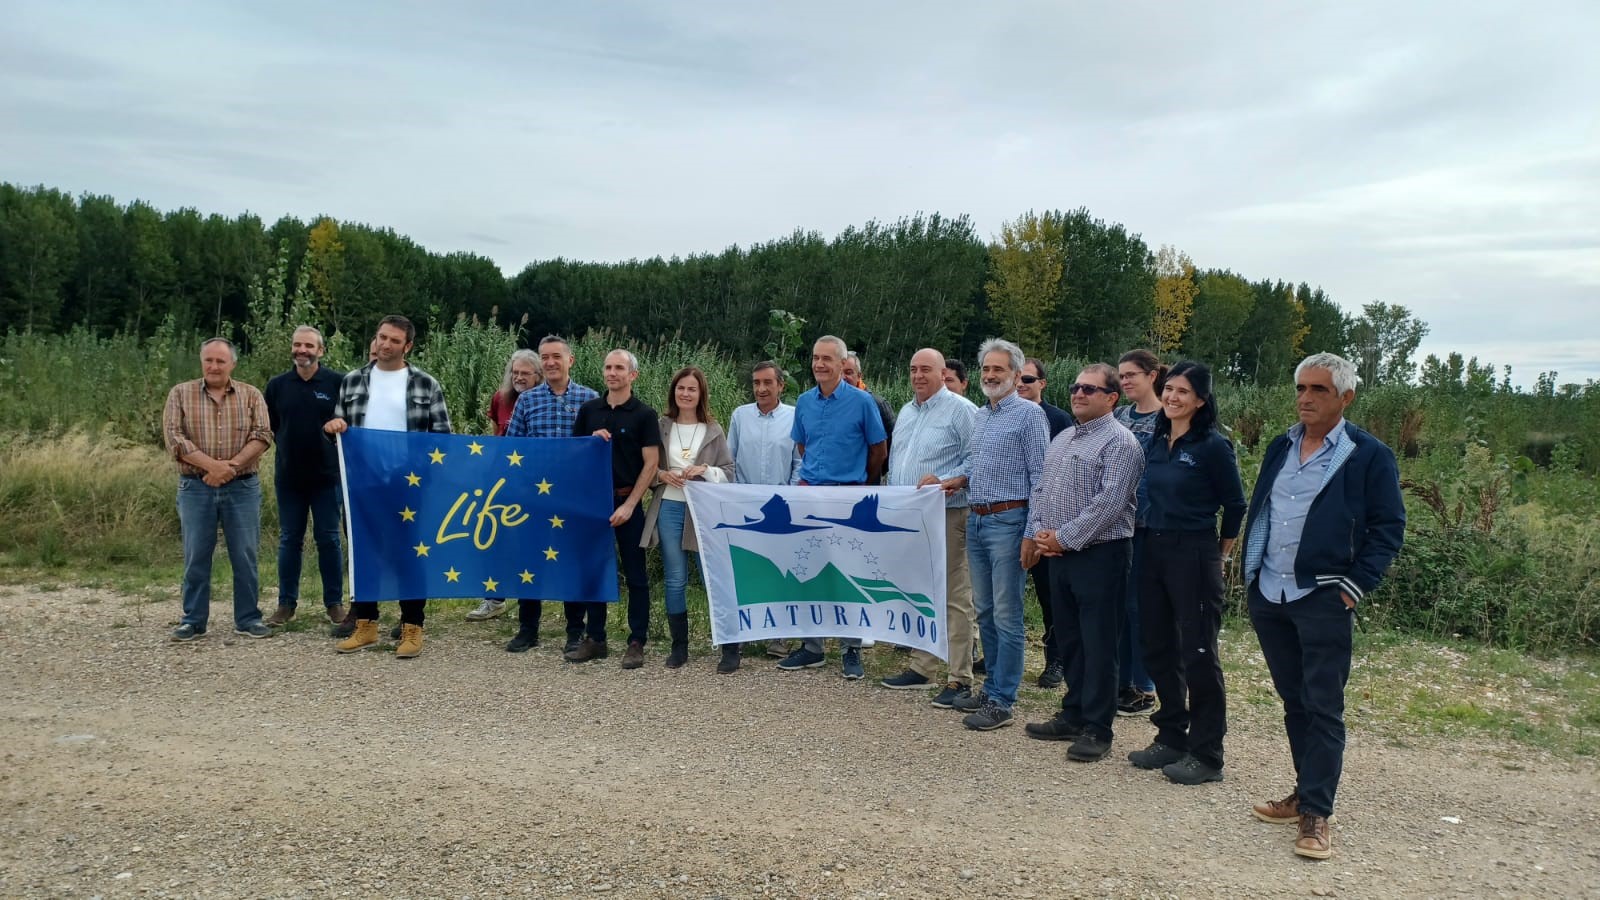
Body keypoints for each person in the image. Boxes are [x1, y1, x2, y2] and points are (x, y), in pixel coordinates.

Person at [1243, 353, 1404, 860]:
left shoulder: (1367, 455)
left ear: (1345, 397)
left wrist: (1353, 586)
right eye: (1301, 388)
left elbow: (1388, 529)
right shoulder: (1280, 445)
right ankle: (1303, 793)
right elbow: (1263, 509)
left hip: (1323, 596)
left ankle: (1317, 814)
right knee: (1294, 701)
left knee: (1323, 707)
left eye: (1318, 390)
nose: (1306, 398)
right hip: (1271, 593)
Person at [1125, 361, 1246, 786]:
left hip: (1193, 550)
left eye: (1183, 392)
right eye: (1170, 389)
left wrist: (1221, 555)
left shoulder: (1213, 446)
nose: (1174, 397)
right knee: (1158, 646)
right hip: (1151, 546)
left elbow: (1235, 504)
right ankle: (1171, 735)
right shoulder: (1157, 440)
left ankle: (1208, 753)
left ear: (1200, 399)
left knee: (1198, 653)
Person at [1021, 364, 1143, 762]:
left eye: (1089, 389)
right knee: (1070, 638)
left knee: (1099, 642)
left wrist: (1064, 538)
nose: (1078, 393)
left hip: (1100, 555)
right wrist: (1041, 534)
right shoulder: (1063, 439)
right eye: (1076, 387)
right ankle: (1073, 713)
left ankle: (1098, 727)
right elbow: (1041, 488)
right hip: (1058, 555)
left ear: (1111, 398)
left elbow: (1109, 505)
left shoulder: (1121, 444)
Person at [325, 315, 451, 658]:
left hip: (407, 485)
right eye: (381, 337)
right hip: (362, 484)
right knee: (363, 553)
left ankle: (412, 628)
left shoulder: (426, 384)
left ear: (407, 346)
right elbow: (338, 429)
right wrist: (333, 426)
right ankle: (366, 624)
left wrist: (420, 473)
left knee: (410, 554)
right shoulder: (352, 381)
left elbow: (442, 439)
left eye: (394, 340)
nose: (384, 344)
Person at [938, 339, 1049, 731]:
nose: (989, 375)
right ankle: (991, 689)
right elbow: (977, 462)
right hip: (978, 519)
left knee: (1007, 614)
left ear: (1017, 376)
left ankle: (1002, 699)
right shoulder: (984, 416)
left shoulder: (1029, 417)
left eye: (998, 370)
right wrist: (957, 479)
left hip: (1009, 521)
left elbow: (1040, 477)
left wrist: (1032, 533)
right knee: (985, 611)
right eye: (986, 369)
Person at [777, 335, 889, 679]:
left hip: (847, 496)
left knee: (847, 573)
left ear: (843, 365)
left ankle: (851, 648)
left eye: (827, 358)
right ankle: (811, 647)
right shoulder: (805, 402)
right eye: (815, 358)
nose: (819, 364)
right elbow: (801, 446)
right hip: (810, 494)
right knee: (808, 568)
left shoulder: (862, 402)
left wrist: (862, 489)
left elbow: (879, 451)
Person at [878, 348, 979, 708]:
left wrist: (950, 479)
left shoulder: (962, 411)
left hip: (948, 513)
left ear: (942, 373)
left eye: (925, 369)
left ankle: (960, 677)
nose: (918, 375)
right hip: (910, 517)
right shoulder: (906, 411)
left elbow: (977, 460)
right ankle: (922, 667)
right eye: (913, 369)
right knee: (918, 591)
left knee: (954, 594)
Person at [163, 338, 274, 642]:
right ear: (202, 362)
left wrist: (231, 467)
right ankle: (193, 621)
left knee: (245, 554)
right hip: (196, 487)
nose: (213, 366)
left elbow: (263, 435)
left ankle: (249, 618)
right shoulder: (180, 394)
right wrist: (212, 466)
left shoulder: (251, 394)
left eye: (220, 361)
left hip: (242, 487)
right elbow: (174, 438)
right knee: (196, 554)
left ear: (232, 364)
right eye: (208, 360)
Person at [502, 336, 600, 654]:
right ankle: (528, 629)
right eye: (545, 357)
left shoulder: (590, 399)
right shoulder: (527, 401)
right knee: (530, 561)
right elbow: (512, 449)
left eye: (556, 356)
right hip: (534, 497)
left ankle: (575, 631)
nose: (550, 362)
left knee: (572, 562)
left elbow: (597, 452)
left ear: (570, 360)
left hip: (573, 497)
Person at [568, 349, 660, 668]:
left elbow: (651, 464)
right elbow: (573, 454)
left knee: (636, 576)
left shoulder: (645, 415)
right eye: (608, 367)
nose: (612, 372)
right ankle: (596, 638)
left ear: (632, 375)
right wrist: (589, 441)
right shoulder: (589, 410)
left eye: (619, 367)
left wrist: (632, 505)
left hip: (627, 501)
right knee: (594, 570)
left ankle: (636, 641)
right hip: (593, 503)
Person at [641, 367, 735, 670]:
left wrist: (704, 470)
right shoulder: (661, 425)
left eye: (691, 389)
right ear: (674, 391)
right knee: (675, 578)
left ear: (700, 393)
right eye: (681, 388)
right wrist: (661, 474)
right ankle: (679, 646)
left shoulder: (713, 429)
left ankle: (730, 646)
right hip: (669, 506)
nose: (685, 393)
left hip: (702, 512)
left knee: (711, 578)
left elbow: (729, 472)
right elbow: (646, 468)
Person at [263, 326, 346, 627]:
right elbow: (270, 426)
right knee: (289, 540)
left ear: (320, 351)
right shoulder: (277, 385)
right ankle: (286, 604)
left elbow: (349, 421)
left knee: (329, 540)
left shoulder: (337, 382)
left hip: (327, 477)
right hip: (289, 478)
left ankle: (334, 604)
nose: (302, 350)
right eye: (297, 345)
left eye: (308, 345)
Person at [725, 360, 802, 659]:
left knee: (780, 570)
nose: (761, 388)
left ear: (781, 385)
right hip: (746, 508)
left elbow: (798, 464)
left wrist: (790, 497)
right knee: (749, 570)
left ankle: (779, 636)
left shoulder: (795, 417)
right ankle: (745, 631)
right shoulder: (740, 416)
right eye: (756, 383)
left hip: (782, 510)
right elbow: (730, 460)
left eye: (767, 382)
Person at [465, 349, 543, 624]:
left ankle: (530, 598)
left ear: (538, 376)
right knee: (496, 537)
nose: (519, 378)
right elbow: (496, 435)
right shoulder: (501, 398)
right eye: (515, 372)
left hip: (536, 484)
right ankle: (494, 598)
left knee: (530, 541)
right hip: (501, 480)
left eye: (525, 373)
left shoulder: (543, 400)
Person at [1114, 349, 1168, 716]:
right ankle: (1121, 680)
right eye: (1121, 375)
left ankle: (1144, 685)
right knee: (1119, 605)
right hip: (1115, 522)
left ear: (1152, 376)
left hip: (1149, 522)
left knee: (1141, 607)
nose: (1126, 381)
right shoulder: (1119, 416)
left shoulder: (1166, 417)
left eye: (1132, 374)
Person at [1016, 357, 1073, 689]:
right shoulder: (998, 414)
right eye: (1017, 377)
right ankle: (1003, 655)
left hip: (1045, 519)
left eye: (1028, 378)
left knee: (1050, 595)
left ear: (1042, 384)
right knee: (1004, 593)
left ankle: (1056, 659)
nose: (1021, 383)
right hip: (1008, 515)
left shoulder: (1058, 420)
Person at [843, 350, 897, 465]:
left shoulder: (877, 403)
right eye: (839, 373)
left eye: (848, 372)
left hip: (868, 477)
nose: (843, 377)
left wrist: (874, 473)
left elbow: (893, 442)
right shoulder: (830, 403)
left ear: (859, 376)